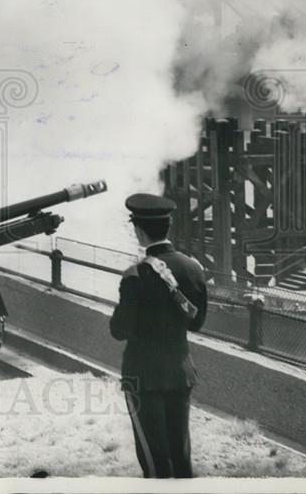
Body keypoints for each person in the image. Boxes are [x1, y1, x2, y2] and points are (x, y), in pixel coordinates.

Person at [109, 193, 208, 479]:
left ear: (139, 231)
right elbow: (197, 323)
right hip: (181, 374)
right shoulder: (193, 269)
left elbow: (119, 331)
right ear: (168, 227)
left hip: (143, 378)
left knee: (154, 462)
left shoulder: (135, 275)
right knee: (181, 458)